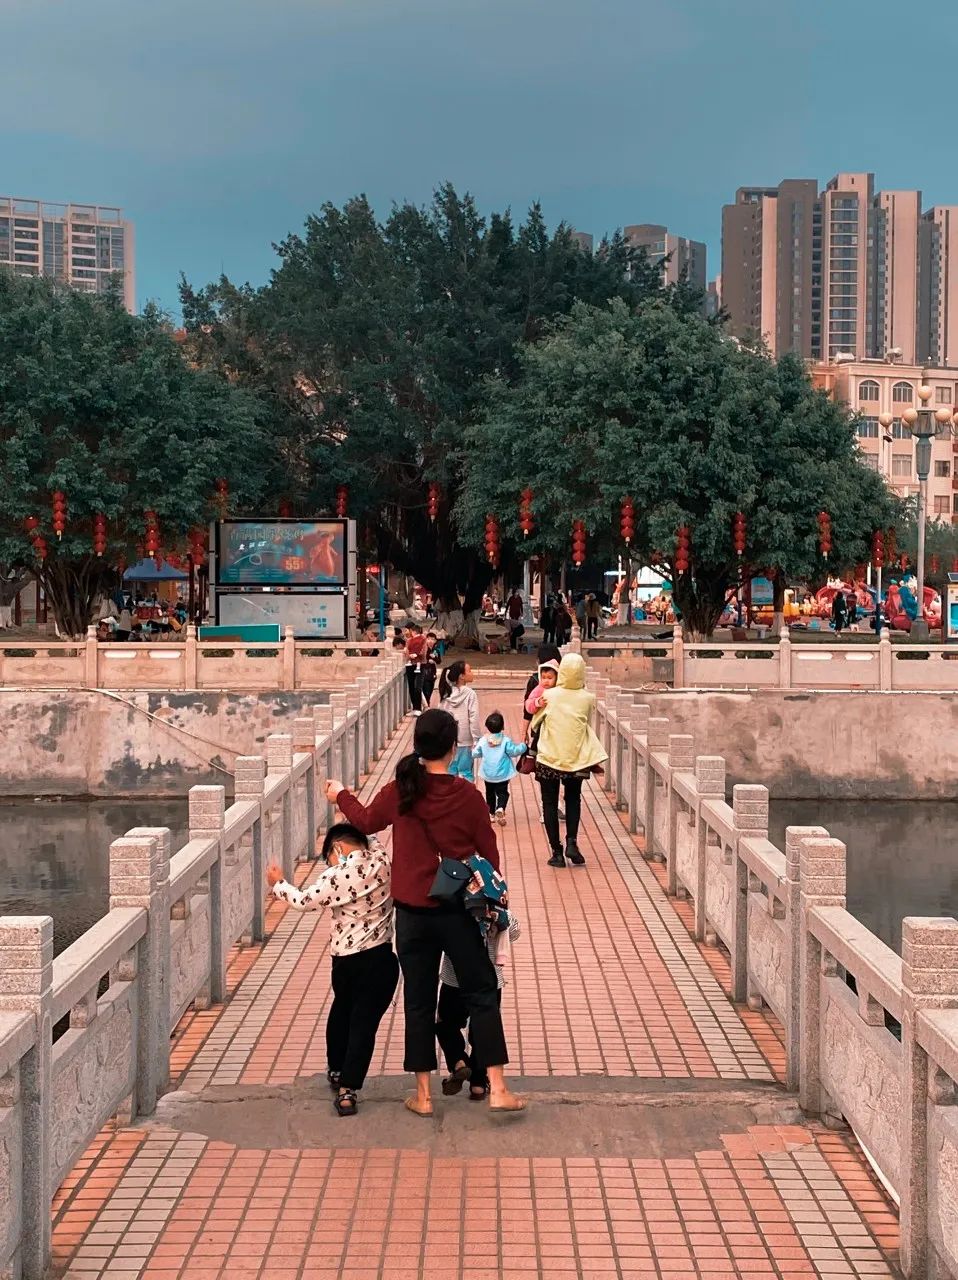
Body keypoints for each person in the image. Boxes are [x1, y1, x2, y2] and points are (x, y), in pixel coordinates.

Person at [328, 708, 524, 1115]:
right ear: (453, 749)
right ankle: (499, 1087)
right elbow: (490, 855)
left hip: (413, 916)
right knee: (482, 992)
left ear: (418, 745)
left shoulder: (402, 790)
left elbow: (364, 820)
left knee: (418, 1001)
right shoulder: (468, 795)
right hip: (458, 912)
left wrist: (340, 795)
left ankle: (423, 1095)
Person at [266, 824, 398, 1116]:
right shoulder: (382, 859)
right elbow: (368, 833)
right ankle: (348, 1089)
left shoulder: (337, 876)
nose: (329, 863)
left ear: (338, 848)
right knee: (364, 1025)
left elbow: (303, 901)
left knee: (342, 1013)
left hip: (348, 961)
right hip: (382, 959)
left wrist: (278, 883)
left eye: (330, 856)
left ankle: (339, 1073)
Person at [531, 652, 608, 868]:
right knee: (573, 799)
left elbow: (536, 722)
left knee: (549, 802)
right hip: (576, 758)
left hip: (549, 758)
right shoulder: (588, 698)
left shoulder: (550, 695)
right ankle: (572, 842)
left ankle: (556, 852)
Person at [436, 906, 521, 1100]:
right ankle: (478, 1084)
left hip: (454, 980)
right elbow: (514, 932)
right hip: (490, 981)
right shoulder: (494, 904)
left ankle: (458, 1061)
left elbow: (440, 938)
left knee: (446, 1024)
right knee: (483, 1030)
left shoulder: (453, 907)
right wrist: (502, 918)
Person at [472, 711, 527, 825]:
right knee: (503, 792)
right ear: (502, 726)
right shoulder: (505, 740)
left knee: (489, 793)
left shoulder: (483, 740)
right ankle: (500, 807)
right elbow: (513, 752)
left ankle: (490, 814)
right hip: (502, 773)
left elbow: (476, 753)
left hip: (488, 773)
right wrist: (523, 746)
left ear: (487, 727)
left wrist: (473, 750)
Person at [439, 660, 480, 781]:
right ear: (461, 676)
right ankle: (466, 798)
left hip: (449, 739)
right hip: (465, 739)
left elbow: (440, 716)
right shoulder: (470, 694)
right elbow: (474, 718)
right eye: (469, 670)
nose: (472, 673)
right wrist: (476, 738)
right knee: (466, 772)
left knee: (450, 772)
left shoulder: (446, 693)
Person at [403, 623, 428, 715]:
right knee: (411, 686)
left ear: (413, 631)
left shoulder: (423, 639)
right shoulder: (409, 640)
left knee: (418, 686)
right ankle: (414, 707)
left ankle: (418, 708)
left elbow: (424, 651)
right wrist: (408, 655)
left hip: (420, 663)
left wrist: (417, 655)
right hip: (410, 663)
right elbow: (407, 651)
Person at [421, 632, 439, 706]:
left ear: (435, 641)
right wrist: (428, 661)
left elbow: (439, 661)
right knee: (426, 690)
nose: (431, 641)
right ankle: (426, 705)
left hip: (432, 673)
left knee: (430, 689)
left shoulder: (436, 650)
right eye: (428, 639)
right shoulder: (424, 649)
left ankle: (427, 703)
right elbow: (421, 659)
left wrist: (434, 658)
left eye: (433, 639)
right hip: (425, 673)